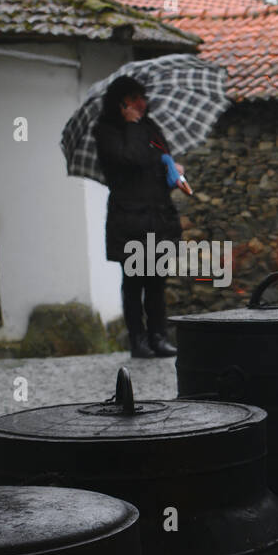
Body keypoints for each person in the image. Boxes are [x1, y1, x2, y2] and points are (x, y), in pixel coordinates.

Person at [95, 76, 180, 358]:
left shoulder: (150, 127)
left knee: (156, 281)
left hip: (157, 216)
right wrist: (131, 126)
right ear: (122, 103)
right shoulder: (107, 131)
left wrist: (172, 168)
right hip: (130, 220)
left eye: (143, 97)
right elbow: (129, 159)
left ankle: (158, 336)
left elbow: (160, 157)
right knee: (134, 281)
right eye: (135, 99)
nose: (143, 103)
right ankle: (138, 339)